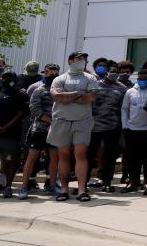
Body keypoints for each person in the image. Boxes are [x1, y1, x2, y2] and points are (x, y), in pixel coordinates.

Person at [48, 51, 99, 201]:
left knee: (80, 155)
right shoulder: (59, 78)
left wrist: (68, 95)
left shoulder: (90, 78)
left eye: (84, 59)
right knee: (63, 155)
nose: (82, 61)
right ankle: (64, 190)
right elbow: (57, 97)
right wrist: (79, 93)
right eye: (79, 59)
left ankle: (82, 190)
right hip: (61, 121)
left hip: (82, 121)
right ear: (70, 61)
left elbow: (92, 97)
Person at [20, 64, 60, 199]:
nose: (53, 76)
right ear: (45, 73)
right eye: (50, 73)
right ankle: (24, 187)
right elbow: (35, 109)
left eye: (55, 74)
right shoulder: (38, 90)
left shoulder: (61, 90)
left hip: (55, 130)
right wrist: (49, 120)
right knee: (32, 157)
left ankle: (52, 185)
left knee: (54, 158)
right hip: (39, 129)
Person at [0, 66, 27, 198]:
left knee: (10, 161)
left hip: (12, 135)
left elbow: (21, 113)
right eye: (5, 77)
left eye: (11, 78)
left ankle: (8, 187)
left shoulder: (20, 95)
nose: (8, 80)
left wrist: (5, 127)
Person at [89, 58, 126, 192]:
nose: (114, 73)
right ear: (106, 72)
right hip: (93, 126)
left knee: (110, 157)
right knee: (90, 155)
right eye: (112, 71)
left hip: (112, 127)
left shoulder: (122, 88)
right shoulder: (95, 85)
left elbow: (122, 108)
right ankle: (84, 182)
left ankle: (107, 182)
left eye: (116, 71)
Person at [121, 68, 147, 193]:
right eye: (139, 79)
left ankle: (146, 181)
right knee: (132, 157)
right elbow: (124, 108)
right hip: (131, 129)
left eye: (144, 79)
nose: (141, 81)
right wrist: (124, 124)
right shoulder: (130, 91)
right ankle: (133, 182)